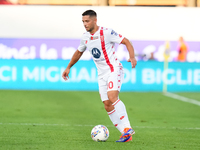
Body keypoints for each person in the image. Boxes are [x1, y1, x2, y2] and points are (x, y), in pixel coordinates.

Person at [62, 10, 137, 142]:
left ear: (95, 20)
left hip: (114, 69)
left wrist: (132, 57)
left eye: (87, 21)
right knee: (107, 104)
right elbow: (79, 52)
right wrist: (68, 67)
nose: (85, 24)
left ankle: (127, 127)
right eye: (83, 22)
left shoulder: (106, 32)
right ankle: (125, 135)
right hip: (101, 74)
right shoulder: (85, 37)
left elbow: (126, 41)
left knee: (112, 96)